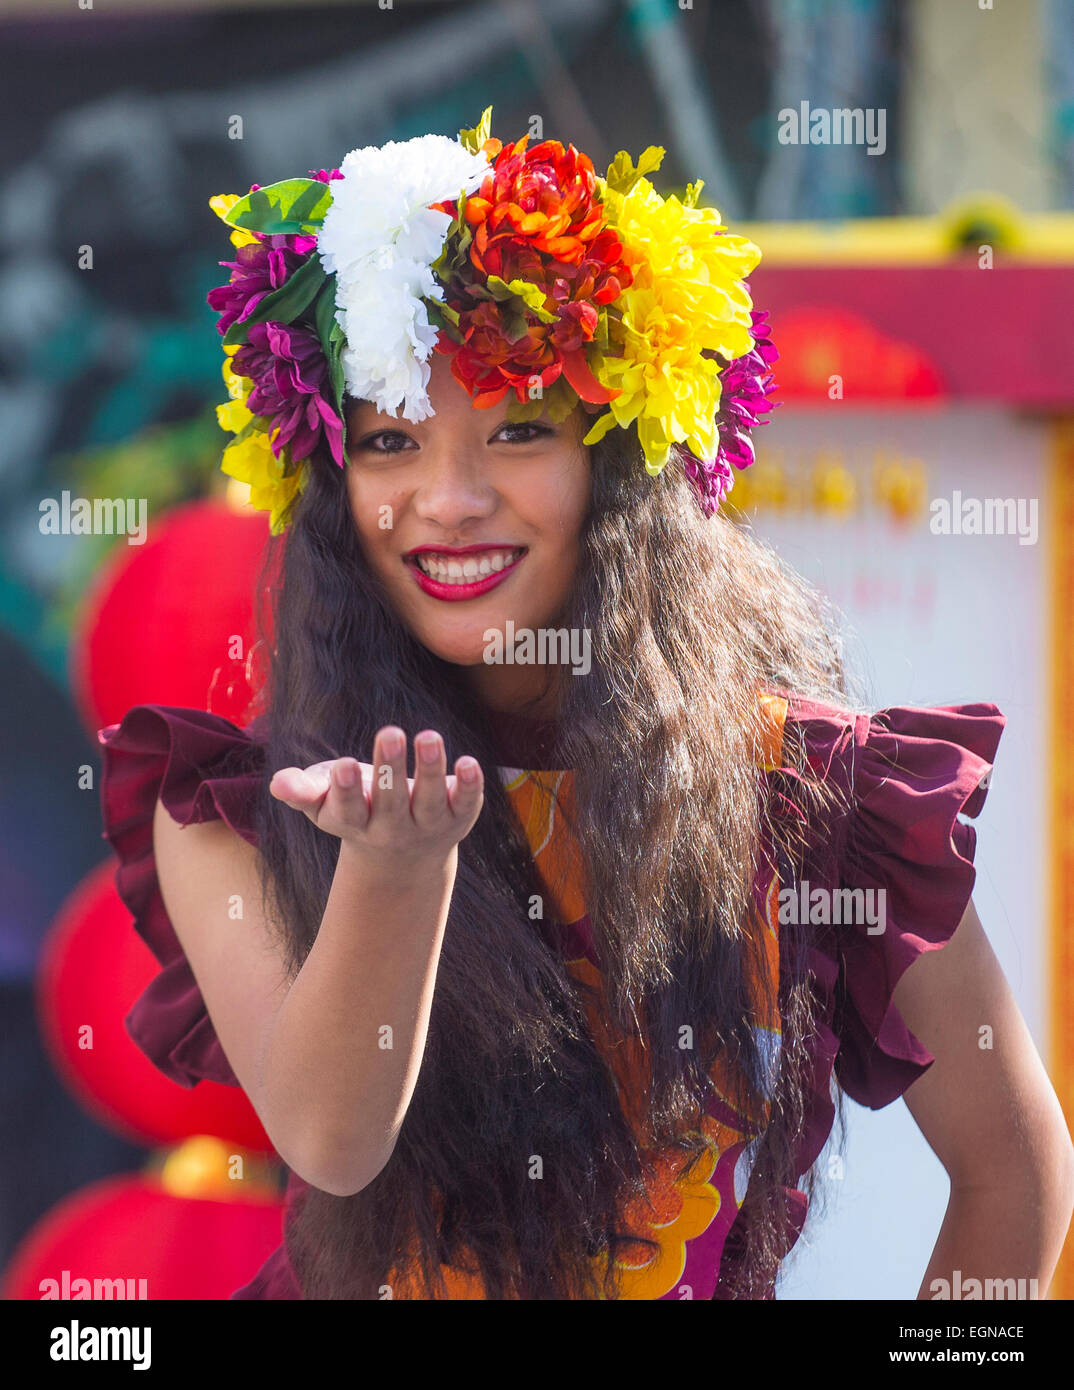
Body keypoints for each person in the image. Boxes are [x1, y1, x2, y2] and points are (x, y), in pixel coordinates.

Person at [98, 111, 1073, 1301]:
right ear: (331, 483)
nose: (448, 498)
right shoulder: (235, 815)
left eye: (516, 430)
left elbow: (1013, 1167)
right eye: (391, 440)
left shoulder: (822, 796)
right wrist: (395, 875)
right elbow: (333, 1140)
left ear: (618, 463)